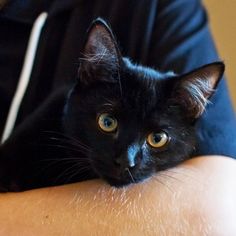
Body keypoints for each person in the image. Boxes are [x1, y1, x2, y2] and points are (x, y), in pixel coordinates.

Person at [0, 0, 236, 234]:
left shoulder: (165, 7)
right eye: (108, 123)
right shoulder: (49, 120)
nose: (128, 160)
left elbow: (216, 210)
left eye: (157, 139)